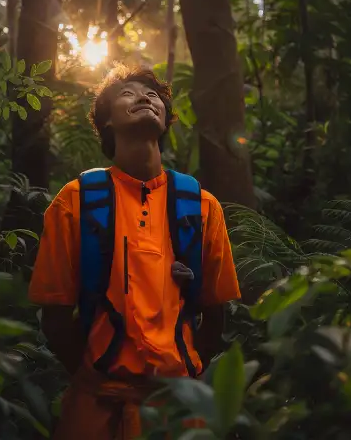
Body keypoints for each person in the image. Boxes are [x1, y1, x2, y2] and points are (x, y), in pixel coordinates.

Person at [29, 65, 241, 439]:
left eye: (153, 94)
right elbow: (56, 318)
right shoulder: (75, 202)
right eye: (127, 93)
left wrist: (184, 375)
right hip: (95, 408)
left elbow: (215, 316)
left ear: (165, 119)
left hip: (178, 411)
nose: (145, 97)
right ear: (106, 122)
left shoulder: (202, 206)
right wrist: (93, 375)